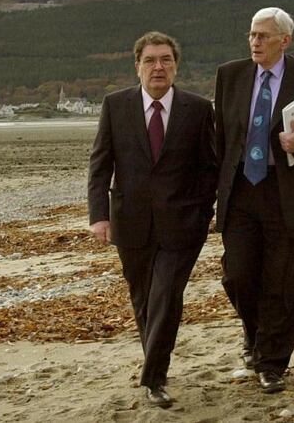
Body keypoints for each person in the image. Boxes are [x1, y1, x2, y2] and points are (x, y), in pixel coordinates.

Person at [88, 31, 218, 408]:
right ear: (138, 66)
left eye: (166, 60)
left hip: (182, 226)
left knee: (166, 296)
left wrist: (202, 212)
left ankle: (154, 377)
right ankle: (155, 367)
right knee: (143, 300)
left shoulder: (197, 109)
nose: (158, 67)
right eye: (150, 60)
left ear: (176, 66)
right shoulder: (116, 105)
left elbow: (209, 168)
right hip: (130, 222)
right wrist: (99, 216)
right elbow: (100, 165)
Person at [214, 7, 294, 393]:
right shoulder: (230, 75)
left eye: (264, 36)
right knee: (237, 275)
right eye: (252, 34)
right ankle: (254, 336)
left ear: (285, 40)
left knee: (281, 283)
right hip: (240, 191)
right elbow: (220, 137)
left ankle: (272, 363)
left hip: (287, 192)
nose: (255, 42)